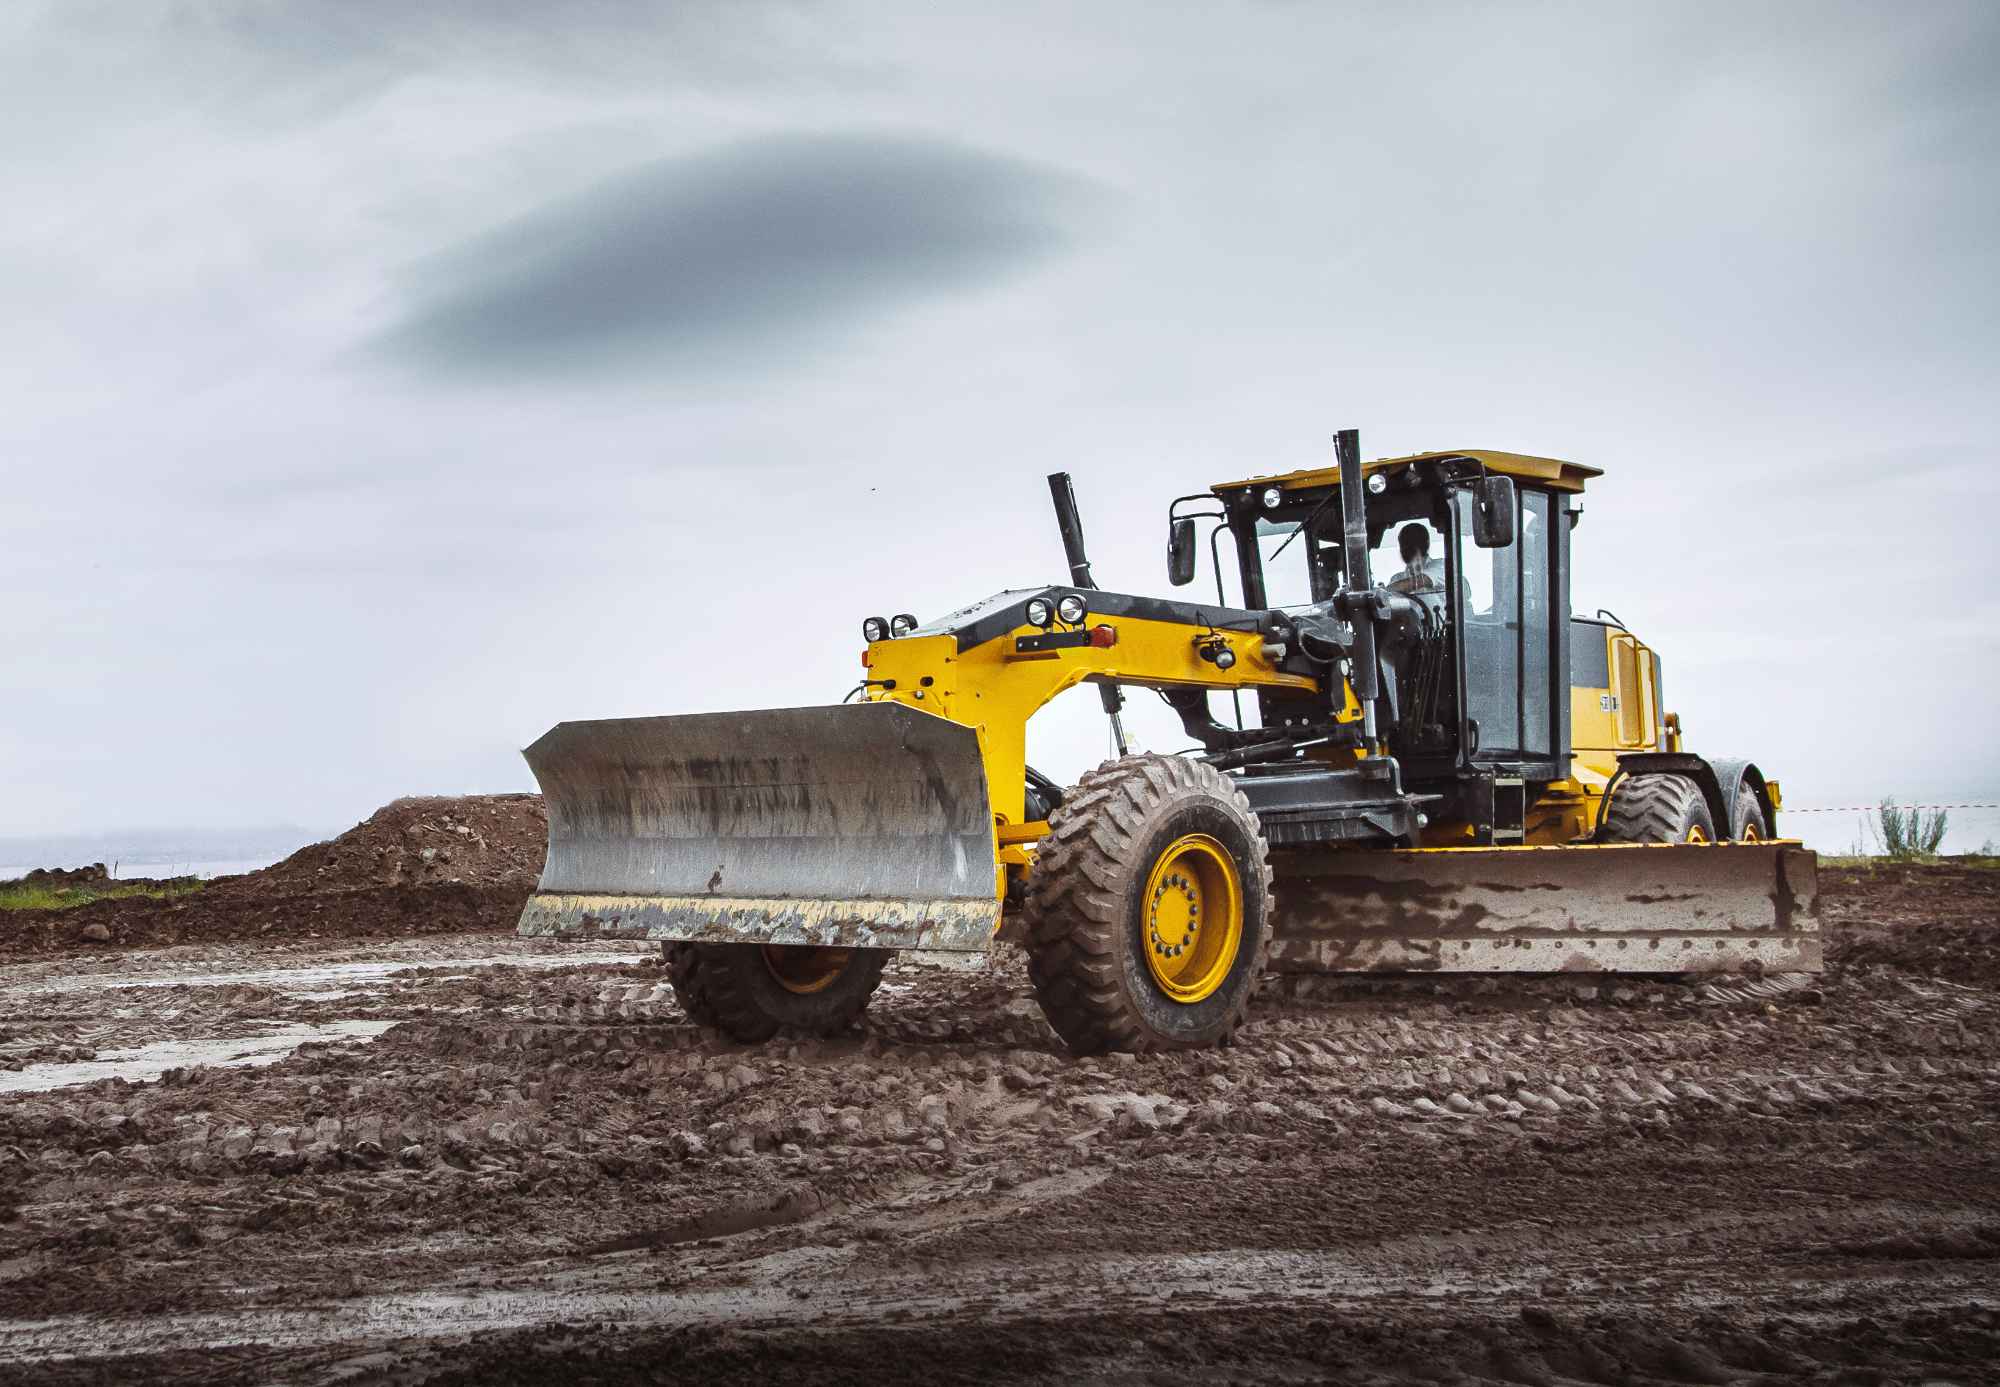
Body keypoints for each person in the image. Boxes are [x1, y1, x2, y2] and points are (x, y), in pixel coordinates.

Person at [1387, 522, 1444, 595]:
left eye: (1411, 543)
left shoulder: (1441, 566)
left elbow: (1422, 581)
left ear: (1427, 544)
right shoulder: (1396, 579)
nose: (1405, 548)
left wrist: (1385, 591)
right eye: (1402, 543)